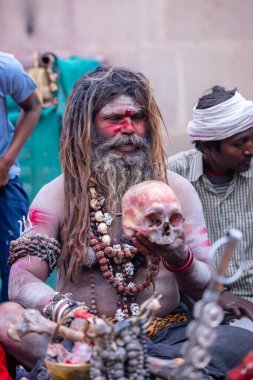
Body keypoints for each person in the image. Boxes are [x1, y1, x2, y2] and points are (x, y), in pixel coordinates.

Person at [0, 67, 252, 379]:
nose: (129, 128)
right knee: (5, 318)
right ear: (86, 126)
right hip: (84, 339)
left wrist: (178, 256)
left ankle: (121, 367)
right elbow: (21, 282)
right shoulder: (57, 195)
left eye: (138, 117)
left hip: (168, 335)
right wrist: (70, 315)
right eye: (115, 118)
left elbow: (208, 286)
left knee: (242, 342)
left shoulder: (176, 190)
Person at [168, 85, 253, 330]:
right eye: (239, 143)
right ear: (207, 147)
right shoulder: (174, 176)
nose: (250, 149)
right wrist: (218, 295)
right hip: (196, 304)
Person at [0, 51, 41, 302]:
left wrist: (5, 162)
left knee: (17, 268)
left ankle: (11, 338)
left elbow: (33, 107)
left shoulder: (5, 67)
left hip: (4, 186)